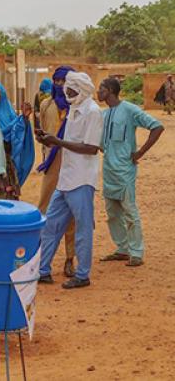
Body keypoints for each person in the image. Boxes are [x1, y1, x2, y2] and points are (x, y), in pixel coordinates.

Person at [36, 71, 103, 289]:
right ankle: (42, 270)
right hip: (65, 178)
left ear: (82, 90)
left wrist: (58, 142)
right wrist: (50, 140)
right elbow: (68, 141)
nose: (66, 91)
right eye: (66, 88)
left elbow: (91, 148)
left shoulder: (92, 111)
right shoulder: (74, 107)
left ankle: (82, 275)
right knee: (50, 226)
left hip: (82, 180)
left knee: (82, 229)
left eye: (71, 88)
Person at [97, 77, 164, 267]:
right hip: (109, 170)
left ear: (109, 90)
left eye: (101, 89)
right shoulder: (104, 114)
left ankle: (136, 252)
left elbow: (157, 127)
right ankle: (122, 249)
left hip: (125, 170)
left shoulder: (130, 110)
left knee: (129, 211)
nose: (98, 92)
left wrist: (140, 152)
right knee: (112, 213)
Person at [35, 66, 78, 277]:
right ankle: (40, 258)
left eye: (64, 81)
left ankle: (70, 259)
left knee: (72, 215)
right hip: (52, 166)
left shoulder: (77, 107)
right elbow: (43, 133)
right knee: (44, 209)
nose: (60, 85)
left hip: (72, 167)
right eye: (57, 81)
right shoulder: (47, 105)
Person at [0, 81, 35, 199]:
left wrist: (25, 119)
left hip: (7, 163)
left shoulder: (11, 114)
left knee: (9, 197)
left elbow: (17, 132)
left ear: (2, 94)